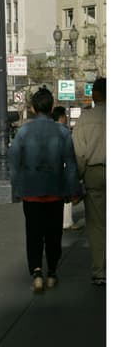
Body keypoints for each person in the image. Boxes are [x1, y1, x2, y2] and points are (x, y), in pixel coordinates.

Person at [9, 86, 79, 292]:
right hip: (55, 190)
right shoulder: (63, 132)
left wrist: (17, 187)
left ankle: (37, 271)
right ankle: (52, 273)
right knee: (53, 234)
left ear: (32, 108)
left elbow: (14, 162)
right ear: (52, 107)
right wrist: (72, 188)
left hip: (31, 191)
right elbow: (71, 164)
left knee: (33, 233)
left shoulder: (23, 131)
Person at [72, 76, 106, 286]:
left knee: (97, 225)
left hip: (94, 173)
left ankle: (100, 271)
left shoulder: (86, 118)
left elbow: (79, 153)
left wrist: (78, 178)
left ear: (95, 94)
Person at [51, 107, 80, 230]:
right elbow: (70, 160)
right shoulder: (65, 132)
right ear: (62, 117)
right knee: (65, 198)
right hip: (61, 170)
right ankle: (66, 222)